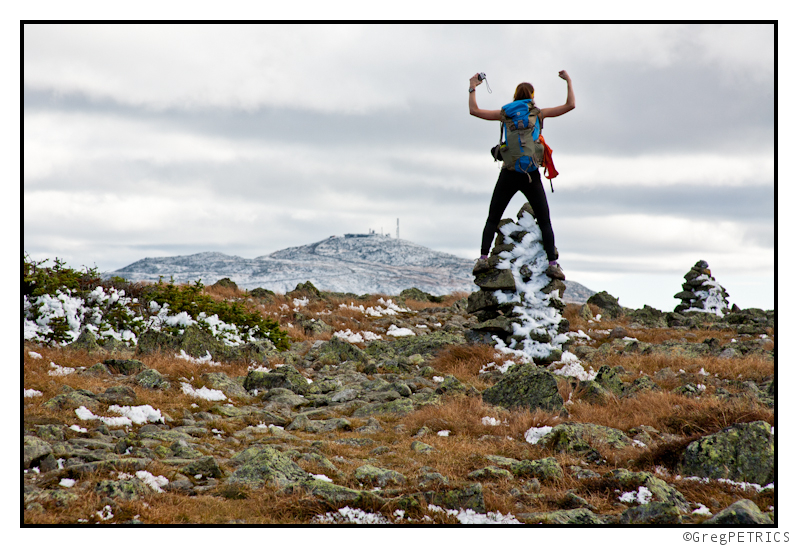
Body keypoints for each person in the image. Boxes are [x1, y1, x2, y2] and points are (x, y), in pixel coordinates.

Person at [469, 70, 575, 280]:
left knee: (493, 218)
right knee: (544, 220)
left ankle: (482, 259)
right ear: (532, 96)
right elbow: (570, 105)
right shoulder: (538, 113)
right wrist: (569, 81)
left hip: (509, 172)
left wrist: (473, 87)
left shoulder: (505, 113)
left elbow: (474, 111)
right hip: (531, 174)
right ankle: (553, 264)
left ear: (515, 96)